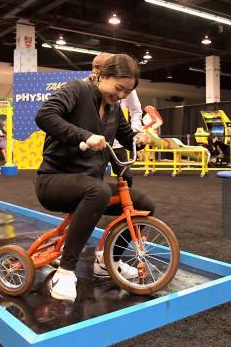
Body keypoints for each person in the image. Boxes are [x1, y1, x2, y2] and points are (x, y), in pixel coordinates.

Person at [35, 54, 152, 302]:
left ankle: (109, 261)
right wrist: (84, 135)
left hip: (89, 183)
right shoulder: (76, 90)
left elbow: (126, 134)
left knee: (143, 204)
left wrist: (138, 139)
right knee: (98, 191)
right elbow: (45, 115)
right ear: (101, 76)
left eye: (126, 92)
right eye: (118, 88)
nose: (121, 95)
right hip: (54, 181)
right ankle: (65, 271)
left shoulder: (113, 107)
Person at [89, 52, 143, 187]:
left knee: (125, 177)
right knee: (93, 182)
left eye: (99, 67)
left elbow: (136, 111)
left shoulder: (126, 87)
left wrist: (136, 134)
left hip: (117, 142)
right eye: (94, 66)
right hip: (93, 144)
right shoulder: (83, 86)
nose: (96, 70)